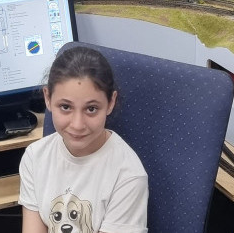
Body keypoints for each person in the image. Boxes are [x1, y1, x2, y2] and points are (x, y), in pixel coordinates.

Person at [19, 44, 148, 233]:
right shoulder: (35, 157)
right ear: (47, 98)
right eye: (65, 107)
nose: (78, 124)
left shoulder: (128, 176)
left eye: (91, 109)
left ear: (111, 102)